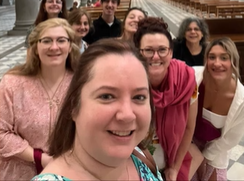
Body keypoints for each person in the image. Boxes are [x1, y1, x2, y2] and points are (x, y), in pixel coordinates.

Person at [32, 39, 163, 181]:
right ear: (74, 106)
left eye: (139, 97)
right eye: (107, 96)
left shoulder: (140, 155)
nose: (127, 115)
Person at [0, 18, 79, 181]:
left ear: (70, 46)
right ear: (36, 47)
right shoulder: (12, 83)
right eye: (46, 41)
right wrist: (39, 157)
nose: (54, 47)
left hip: (70, 168)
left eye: (61, 40)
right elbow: (1, 132)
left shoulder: (80, 83)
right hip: (21, 171)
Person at [134, 17, 201, 181]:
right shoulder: (128, 81)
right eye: (148, 50)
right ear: (138, 52)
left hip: (171, 159)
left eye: (162, 50)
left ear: (170, 52)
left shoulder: (185, 80)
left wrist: (174, 168)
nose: (156, 57)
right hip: (133, 161)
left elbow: (188, 128)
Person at [192, 37, 244, 181]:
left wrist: (204, 157)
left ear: (233, 62)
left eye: (224, 58)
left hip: (215, 151)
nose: (217, 63)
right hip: (187, 143)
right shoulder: (194, 76)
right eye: (212, 57)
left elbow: (229, 139)